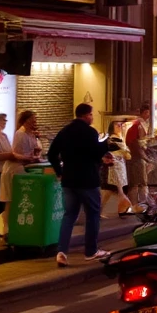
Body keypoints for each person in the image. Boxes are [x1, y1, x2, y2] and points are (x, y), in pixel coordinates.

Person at [47, 103, 114, 267]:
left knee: (69, 215)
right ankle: (91, 251)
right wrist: (107, 144)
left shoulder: (64, 131)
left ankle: (61, 252)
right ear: (85, 115)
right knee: (92, 215)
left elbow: (51, 154)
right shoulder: (90, 132)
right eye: (91, 115)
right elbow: (94, 152)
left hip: (68, 180)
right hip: (87, 180)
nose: (92, 118)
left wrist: (59, 171)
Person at [0, 110, 42, 237]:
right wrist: (27, 158)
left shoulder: (31, 134)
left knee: (20, 200)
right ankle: (7, 229)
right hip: (13, 170)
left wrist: (35, 155)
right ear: (25, 121)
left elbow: (35, 150)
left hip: (24, 169)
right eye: (32, 121)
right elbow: (15, 153)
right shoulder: (20, 134)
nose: (34, 123)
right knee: (10, 199)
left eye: (35, 121)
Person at [100, 122, 136, 217]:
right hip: (114, 168)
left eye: (120, 125)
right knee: (115, 189)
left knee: (110, 191)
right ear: (112, 128)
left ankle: (122, 209)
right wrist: (124, 153)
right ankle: (126, 208)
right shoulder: (113, 139)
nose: (120, 127)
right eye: (117, 125)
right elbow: (127, 154)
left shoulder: (118, 138)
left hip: (118, 167)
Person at [125, 104, 151, 206]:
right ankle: (136, 203)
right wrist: (143, 155)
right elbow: (133, 143)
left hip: (140, 156)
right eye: (147, 112)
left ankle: (139, 203)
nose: (148, 115)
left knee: (140, 182)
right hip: (137, 157)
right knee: (138, 182)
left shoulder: (141, 124)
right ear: (143, 113)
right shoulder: (137, 126)